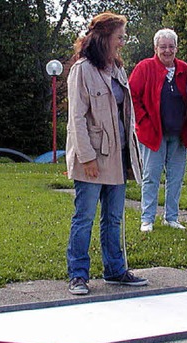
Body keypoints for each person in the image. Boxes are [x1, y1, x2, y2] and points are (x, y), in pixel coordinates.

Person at [65, 12, 148, 295]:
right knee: (84, 216)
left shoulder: (117, 69)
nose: (122, 43)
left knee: (114, 218)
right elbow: (76, 118)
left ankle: (115, 270)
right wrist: (86, 157)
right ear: (104, 38)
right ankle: (78, 275)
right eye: (119, 37)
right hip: (92, 158)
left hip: (118, 156)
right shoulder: (82, 70)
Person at [128, 28, 187, 233]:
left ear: (176, 48)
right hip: (152, 134)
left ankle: (171, 217)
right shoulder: (144, 67)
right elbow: (132, 96)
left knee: (176, 177)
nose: (167, 51)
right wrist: (144, 121)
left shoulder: (185, 69)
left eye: (171, 46)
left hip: (179, 134)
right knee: (151, 176)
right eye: (163, 47)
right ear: (155, 48)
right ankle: (147, 218)